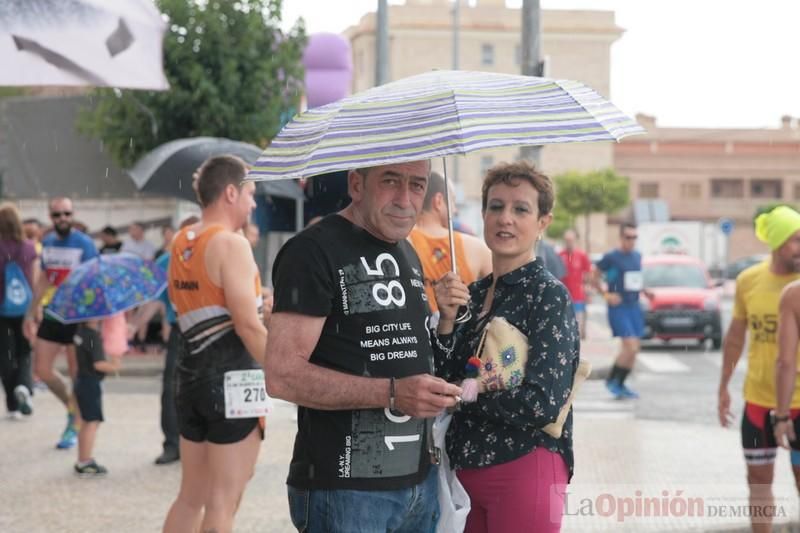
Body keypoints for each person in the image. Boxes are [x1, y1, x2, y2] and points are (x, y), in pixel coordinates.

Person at [265, 161, 462, 533]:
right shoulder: (312, 250)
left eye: (417, 185)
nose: (405, 199)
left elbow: (406, 356)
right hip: (346, 493)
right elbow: (282, 376)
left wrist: (448, 320)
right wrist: (391, 393)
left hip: (418, 485)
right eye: (391, 182)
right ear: (357, 184)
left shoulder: (406, 250)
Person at [433, 161, 579, 533]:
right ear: (482, 214)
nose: (505, 219)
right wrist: (447, 321)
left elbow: (542, 402)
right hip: (464, 473)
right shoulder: (473, 293)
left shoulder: (548, 296)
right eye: (496, 207)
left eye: (521, 209)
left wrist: (465, 397)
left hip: (525, 465)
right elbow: (445, 378)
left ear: (543, 222)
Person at [162, 156, 268, 533]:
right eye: (250, 193)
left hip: (189, 375)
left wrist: (258, 302)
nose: (253, 203)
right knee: (225, 501)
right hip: (234, 379)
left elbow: (209, 303)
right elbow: (247, 327)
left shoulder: (181, 240)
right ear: (230, 192)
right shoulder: (231, 244)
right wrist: (287, 374)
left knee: (191, 497)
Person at [715, 206, 800, 533]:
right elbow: (736, 338)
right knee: (759, 484)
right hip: (759, 402)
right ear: (778, 243)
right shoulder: (749, 280)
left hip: (798, 404)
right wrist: (723, 386)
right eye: (795, 240)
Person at [23, 197, 98, 449]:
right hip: (54, 312)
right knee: (42, 370)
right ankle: (71, 406)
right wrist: (31, 312)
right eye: (57, 215)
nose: (62, 218)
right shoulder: (48, 242)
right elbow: (45, 277)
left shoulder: (85, 244)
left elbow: (93, 280)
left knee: (78, 374)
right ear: (50, 217)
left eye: (66, 213)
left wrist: (92, 321)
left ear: (72, 214)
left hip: (79, 316)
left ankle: (73, 424)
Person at [408, 171, 491, 313]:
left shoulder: (401, 243)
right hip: (459, 331)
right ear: (438, 201)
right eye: (453, 201)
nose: (456, 210)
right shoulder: (475, 248)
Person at [593, 223, 650, 400]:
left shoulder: (637, 256)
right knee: (630, 346)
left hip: (634, 306)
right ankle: (612, 380)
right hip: (619, 308)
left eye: (634, 237)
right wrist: (606, 295)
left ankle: (621, 384)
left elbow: (634, 280)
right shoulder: (611, 257)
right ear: (621, 238)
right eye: (628, 237)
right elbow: (593, 276)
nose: (631, 241)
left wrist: (645, 290)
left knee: (634, 349)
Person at [0, 203, 38, 419]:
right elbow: (33, 279)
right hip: (25, 307)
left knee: (5, 356)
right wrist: (35, 309)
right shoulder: (29, 247)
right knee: (24, 351)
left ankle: (12, 405)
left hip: (1, 309)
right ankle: (24, 385)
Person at [72, 319, 121, 476]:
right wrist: (114, 365)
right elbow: (98, 363)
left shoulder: (80, 334)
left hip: (82, 381)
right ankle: (85, 460)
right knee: (92, 421)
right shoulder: (92, 336)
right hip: (90, 383)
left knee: (87, 421)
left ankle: (82, 458)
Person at [559, 228, 593, 339]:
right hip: (563, 297)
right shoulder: (559, 255)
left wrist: (588, 293)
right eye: (566, 240)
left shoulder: (582, 256)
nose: (568, 242)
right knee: (564, 326)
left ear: (576, 240)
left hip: (578, 296)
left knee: (577, 326)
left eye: (571, 240)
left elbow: (588, 275)